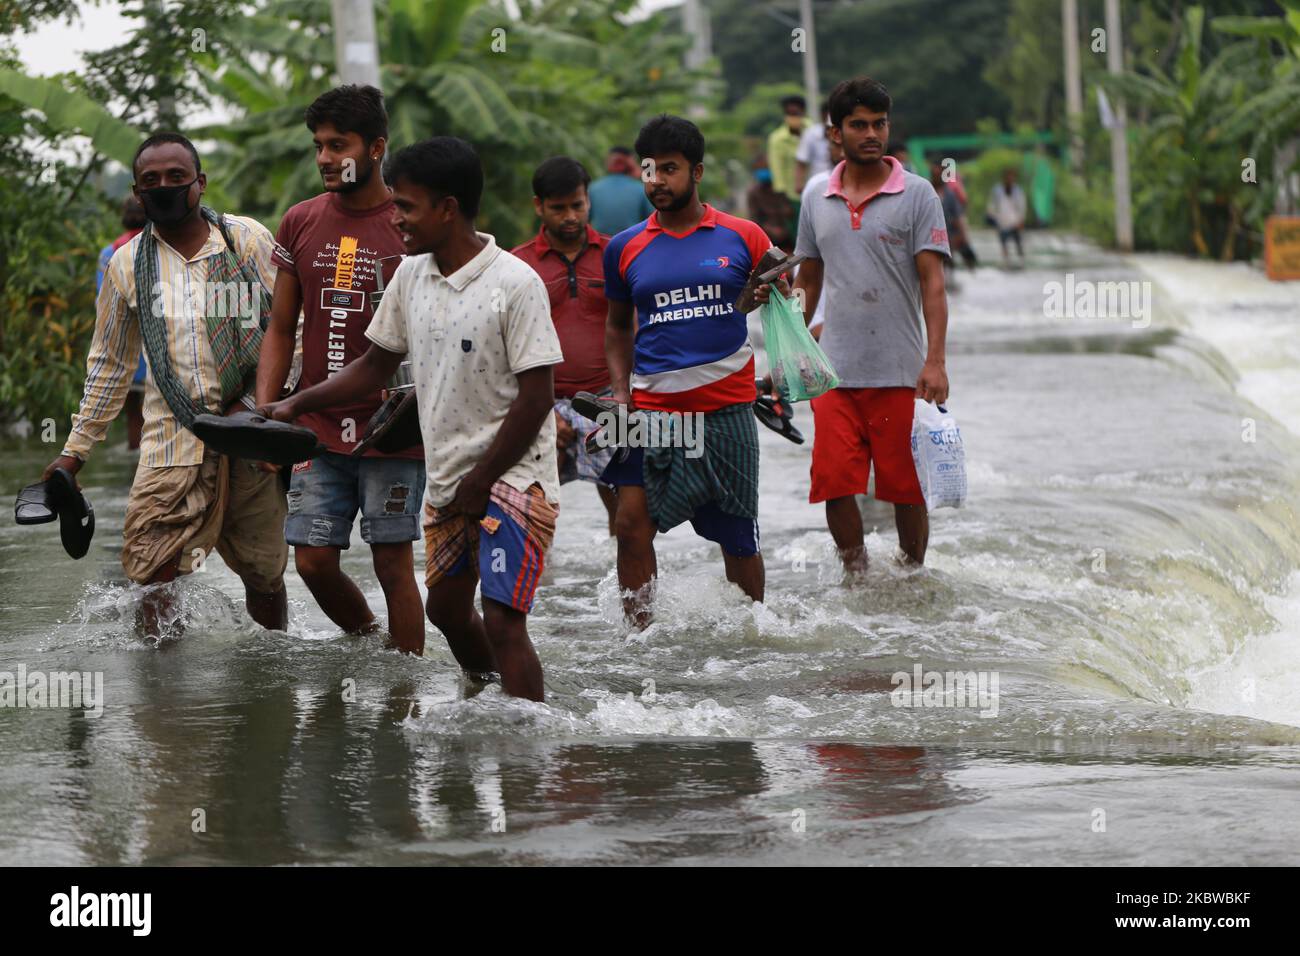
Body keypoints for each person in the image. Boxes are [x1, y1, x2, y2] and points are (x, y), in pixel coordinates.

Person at [261, 137, 563, 702]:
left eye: (406, 207)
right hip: (451, 479)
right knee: (446, 609)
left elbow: (536, 399)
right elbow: (375, 365)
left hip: (517, 481)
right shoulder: (410, 277)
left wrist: (482, 482)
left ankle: (529, 748)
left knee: (503, 619)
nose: (394, 217)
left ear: (448, 208)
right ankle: (490, 696)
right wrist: (297, 402)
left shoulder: (515, 283)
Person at [45, 133, 289, 638]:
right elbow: (110, 366)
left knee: (263, 572)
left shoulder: (245, 241)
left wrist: (259, 407)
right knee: (151, 575)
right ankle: (162, 696)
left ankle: (272, 673)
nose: (164, 187)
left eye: (176, 178)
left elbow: (293, 333)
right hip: (170, 440)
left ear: (199, 183)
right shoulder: (126, 264)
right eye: (151, 181)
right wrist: (73, 455)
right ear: (137, 192)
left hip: (251, 431)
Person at [255, 84, 426, 655]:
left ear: (376, 147)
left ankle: (406, 693)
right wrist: (266, 413)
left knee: (392, 565)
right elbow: (281, 328)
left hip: (394, 430)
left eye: (339, 145)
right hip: (314, 427)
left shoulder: (410, 227)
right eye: (318, 146)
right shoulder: (300, 221)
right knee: (313, 561)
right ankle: (371, 642)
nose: (325, 158)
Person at [603, 114, 779, 628]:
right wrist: (618, 393)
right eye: (650, 170)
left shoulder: (744, 237)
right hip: (647, 410)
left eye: (670, 170)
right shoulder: (624, 247)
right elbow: (616, 329)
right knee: (630, 525)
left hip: (726, 412)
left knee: (737, 537)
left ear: (697, 172)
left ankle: (752, 635)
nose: (656, 181)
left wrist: (766, 296)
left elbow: (777, 304)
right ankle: (641, 640)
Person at [792, 77, 951, 575]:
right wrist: (790, 345)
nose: (871, 134)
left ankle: (911, 574)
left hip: (899, 370)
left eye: (879, 124)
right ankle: (856, 578)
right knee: (836, 482)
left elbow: (933, 285)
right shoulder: (816, 195)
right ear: (834, 132)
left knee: (904, 485)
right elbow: (808, 277)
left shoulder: (919, 194)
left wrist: (936, 361)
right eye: (858, 125)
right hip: (833, 371)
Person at [509, 156, 619, 535]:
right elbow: (504, 349)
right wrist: (541, 411)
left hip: (608, 399)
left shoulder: (616, 256)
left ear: (588, 201)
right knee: (531, 515)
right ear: (539, 206)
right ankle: (541, 593)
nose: (570, 216)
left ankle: (627, 593)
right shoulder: (516, 265)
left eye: (578, 205)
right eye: (558, 208)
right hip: (541, 402)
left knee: (629, 515)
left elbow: (635, 330)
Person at [96, 196, 148, 449]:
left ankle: (134, 456)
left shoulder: (109, 252)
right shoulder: (162, 245)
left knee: (132, 415)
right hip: (157, 348)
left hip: (125, 346)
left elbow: (103, 303)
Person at [588, 146, 655, 237]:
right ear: (630, 164)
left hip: (600, 245)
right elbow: (653, 221)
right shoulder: (640, 189)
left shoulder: (593, 188)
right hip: (631, 245)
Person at [930, 159, 972, 280]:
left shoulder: (949, 193)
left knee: (949, 262)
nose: (937, 176)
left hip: (948, 235)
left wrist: (963, 236)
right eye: (934, 174)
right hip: (929, 235)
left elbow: (958, 215)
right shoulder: (925, 190)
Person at [746, 164, 794, 252]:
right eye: (761, 168)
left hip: (787, 234)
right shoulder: (753, 192)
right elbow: (754, 218)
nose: (764, 171)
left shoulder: (781, 188)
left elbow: (789, 211)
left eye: (766, 168)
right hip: (767, 235)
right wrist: (771, 230)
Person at [767, 94, 805, 204]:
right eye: (789, 114)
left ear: (802, 112)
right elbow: (777, 168)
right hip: (791, 196)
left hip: (814, 192)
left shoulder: (813, 132)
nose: (792, 117)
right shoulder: (777, 139)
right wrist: (783, 200)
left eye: (795, 114)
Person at [987, 167, 1027, 266]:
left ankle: (1022, 263)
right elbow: (991, 206)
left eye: (1012, 177)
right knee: (1003, 244)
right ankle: (1006, 263)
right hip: (1002, 223)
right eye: (1008, 177)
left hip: (1015, 223)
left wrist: (1021, 221)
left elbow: (1022, 207)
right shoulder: (997, 190)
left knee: (1018, 244)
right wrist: (995, 219)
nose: (1010, 179)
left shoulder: (1018, 191)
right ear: (1004, 178)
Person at [793, 99, 831, 194]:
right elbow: (801, 162)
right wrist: (799, 185)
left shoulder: (845, 133)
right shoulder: (810, 134)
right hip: (817, 184)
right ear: (822, 116)